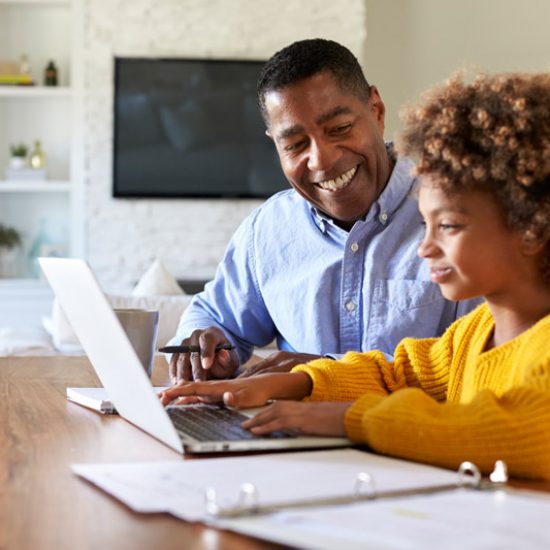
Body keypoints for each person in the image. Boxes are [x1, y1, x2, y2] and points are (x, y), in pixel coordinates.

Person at [162, 72, 550, 480]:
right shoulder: (474, 332)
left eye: (448, 226)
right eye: (424, 224)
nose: (424, 247)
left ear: (532, 227)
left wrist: (349, 418)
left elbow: (504, 429)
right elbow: (396, 373)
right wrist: (298, 383)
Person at [168, 38, 479, 383]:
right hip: (289, 434)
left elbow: (476, 363)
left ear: (376, 111)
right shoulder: (268, 229)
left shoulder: (454, 216)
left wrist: (323, 376)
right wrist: (207, 347)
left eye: (340, 129)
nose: (322, 160)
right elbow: (213, 316)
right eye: (295, 145)